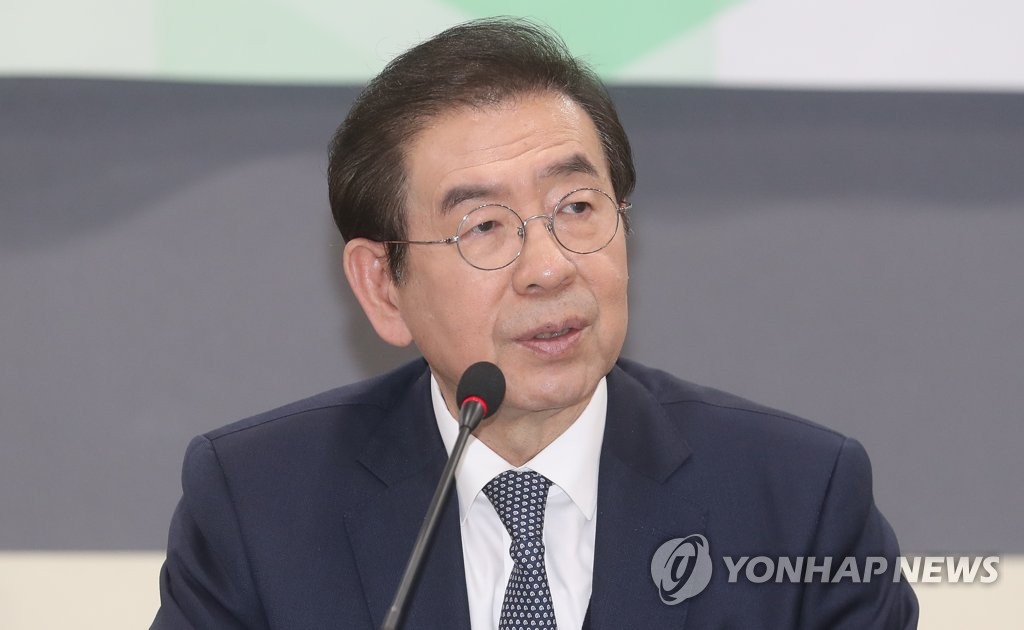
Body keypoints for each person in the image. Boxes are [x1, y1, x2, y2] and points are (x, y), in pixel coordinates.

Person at [153, 17, 919, 629]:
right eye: (484, 227)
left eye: (577, 207)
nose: (549, 268)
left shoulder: (799, 499)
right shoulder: (257, 504)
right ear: (383, 284)